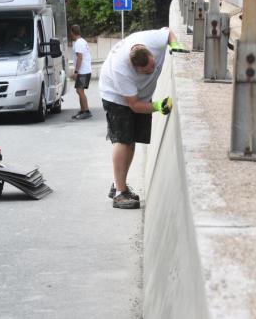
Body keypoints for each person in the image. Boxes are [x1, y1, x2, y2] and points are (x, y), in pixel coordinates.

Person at [99, 27, 188, 209]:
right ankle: (119, 194)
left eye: (153, 66)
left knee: (132, 141)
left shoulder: (151, 40)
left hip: (141, 96)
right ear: (135, 69)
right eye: (146, 72)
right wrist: (157, 106)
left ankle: (119, 184)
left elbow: (168, 32)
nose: (152, 71)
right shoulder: (121, 69)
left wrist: (175, 44)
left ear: (150, 53)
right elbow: (134, 105)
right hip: (116, 96)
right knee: (123, 140)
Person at [70, 25, 92, 120]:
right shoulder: (82, 41)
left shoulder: (79, 43)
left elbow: (80, 57)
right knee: (79, 90)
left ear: (72, 33)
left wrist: (76, 71)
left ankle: (86, 111)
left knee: (80, 91)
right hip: (85, 70)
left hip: (83, 71)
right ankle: (82, 110)